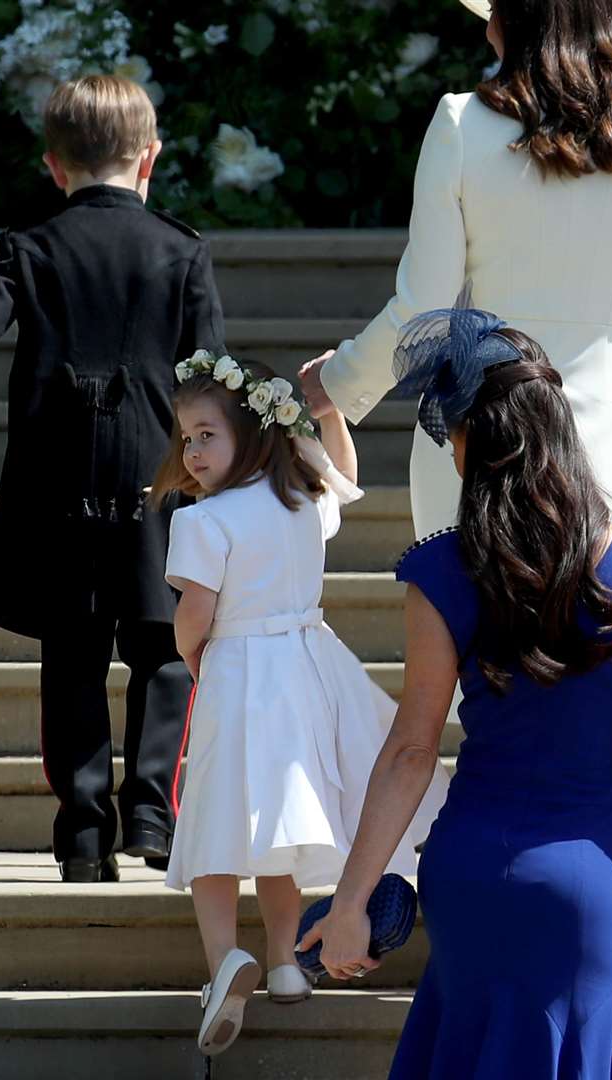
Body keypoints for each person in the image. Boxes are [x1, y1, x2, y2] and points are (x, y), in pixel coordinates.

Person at [298, 305, 612, 1079]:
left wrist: (352, 900)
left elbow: (412, 748)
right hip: (581, 881)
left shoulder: (440, 572)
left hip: (470, 870)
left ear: (468, 446)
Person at [0, 75, 227, 883]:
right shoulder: (182, 250)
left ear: (53, 166)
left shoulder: (31, 245)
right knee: (166, 647)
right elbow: (212, 373)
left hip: (58, 482)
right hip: (161, 477)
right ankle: (153, 805)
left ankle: (84, 834)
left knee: (72, 657)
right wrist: (238, 463)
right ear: (150, 159)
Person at [300, 0, 612, 542]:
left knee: (463, 618)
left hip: (472, 430)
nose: (486, 28)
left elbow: (422, 309)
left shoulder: (460, 122)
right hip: (603, 435)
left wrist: (339, 381)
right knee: (594, 616)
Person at [149, 352, 449, 1057]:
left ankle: (225, 957)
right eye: (185, 438)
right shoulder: (302, 498)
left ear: (250, 434)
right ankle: (285, 961)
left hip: (238, 666)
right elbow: (343, 471)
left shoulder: (205, 520)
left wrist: (196, 655)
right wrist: (330, 409)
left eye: (205, 435)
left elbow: (195, 611)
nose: (191, 452)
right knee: (278, 819)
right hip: (308, 666)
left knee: (221, 819)